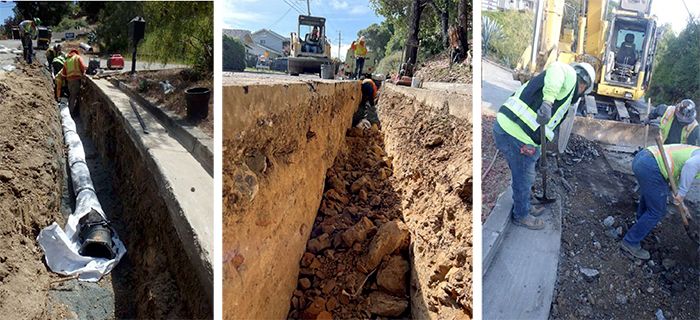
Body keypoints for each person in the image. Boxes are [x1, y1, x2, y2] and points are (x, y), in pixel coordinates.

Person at [493, 61, 595, 229]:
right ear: (584, 85)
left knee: (524, 175)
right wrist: (547, 101)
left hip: (514, 130)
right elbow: (557, 69)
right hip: (515, 133)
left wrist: (539, 149)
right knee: (524, 179)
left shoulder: (567, 95)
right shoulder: (569, 76)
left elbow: (547, 126)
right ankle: (521, 215)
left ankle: (524, 204)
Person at [620, 144, 700, 259]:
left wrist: (682, 204)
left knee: (650, 196)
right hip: (651, 166)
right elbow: (690, 165)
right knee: (657, 211)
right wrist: (682, 193)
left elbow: (678, 174)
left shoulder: (695, 151)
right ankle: (630, 242)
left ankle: (640, 225)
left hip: (643, 157)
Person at [55, 49, 87, 115]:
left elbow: (63, 73)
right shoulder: (78, 57)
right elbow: (83, 67)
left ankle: (70, 111)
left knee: (72, 95)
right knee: (73, 96)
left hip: (69, 81)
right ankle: (71, 113)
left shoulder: (67, 61)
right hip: (76, 80)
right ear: (76, 53)